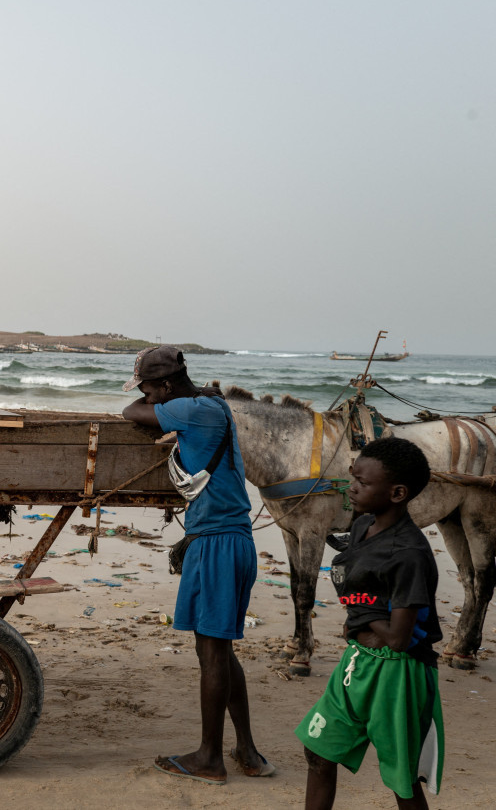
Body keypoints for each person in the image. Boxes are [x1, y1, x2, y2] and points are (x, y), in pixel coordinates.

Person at [120, 345, 271, 784]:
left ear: (166, 386)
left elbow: (131, 412)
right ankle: (246, 751)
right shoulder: (208, 405)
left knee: (212, 652)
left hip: (218, 544)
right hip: (228, 539)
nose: (146, 396)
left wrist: (153, 403)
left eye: (150, 388)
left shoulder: (192, 409)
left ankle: (210, 758)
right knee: (219, 648)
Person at [296, 437, 444, 809]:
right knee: (318, 752)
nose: (352, 487)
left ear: (397, 493)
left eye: (363, 483)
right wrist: (361, 627)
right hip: (358, 662)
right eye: (353, 477)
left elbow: (397, 638)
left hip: (399, 676)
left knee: (402, 780)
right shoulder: (362, 526)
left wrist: (361, 620)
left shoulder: (408, 553)